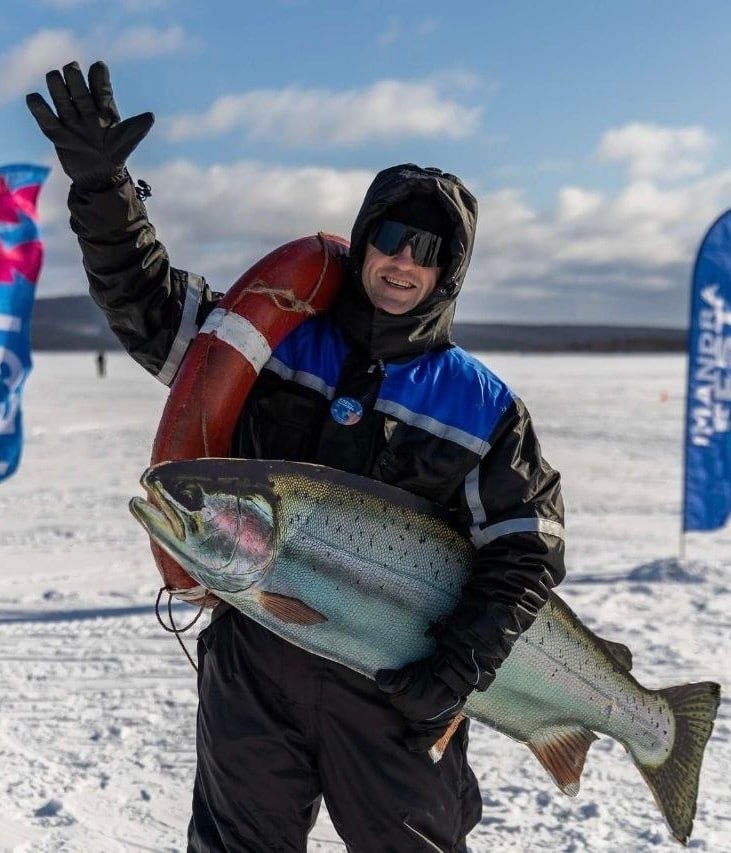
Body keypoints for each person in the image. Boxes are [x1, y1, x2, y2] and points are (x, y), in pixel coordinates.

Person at [27, 61, 566, 853]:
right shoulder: (274, 337)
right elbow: (144, 299)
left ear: (449, 267)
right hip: (255, 666)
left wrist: (454, 671)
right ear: (364, 238)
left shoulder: (481, 406)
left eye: (427, 247)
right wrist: (103, 186)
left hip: (395, 690)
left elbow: (525, 551)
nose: (402, 260)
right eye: (389, 236)